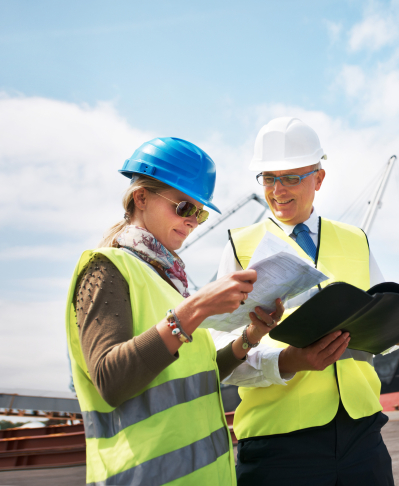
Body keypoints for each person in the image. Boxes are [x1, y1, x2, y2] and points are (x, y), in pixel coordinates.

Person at [216, 117, 399, 485]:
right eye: (268, 178)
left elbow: (377, 321)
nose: (277, 190)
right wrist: (288, 361)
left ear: (318, 178)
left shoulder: (356, 240)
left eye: (290, 177)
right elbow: (221, 357)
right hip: (279, 441)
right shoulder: (239, 246)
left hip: (362, 434)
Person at [65, 137, 284, 486]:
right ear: (141, 197)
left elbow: (197, 375)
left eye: (199, 213)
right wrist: (193, 310)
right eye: (184, 208)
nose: (192, 221)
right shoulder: (104, 270)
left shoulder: (169, 281)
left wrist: (249, 337)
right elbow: (110, 379)